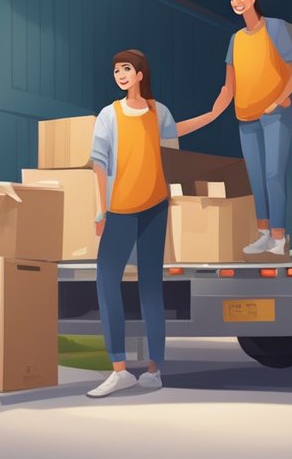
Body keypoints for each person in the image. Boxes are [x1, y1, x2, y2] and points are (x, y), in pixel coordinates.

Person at [86, 49, 213, 398]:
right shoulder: (108, 115)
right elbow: (98, 163)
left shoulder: (159, 112)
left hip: (156, 205)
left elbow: (175, 137)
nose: (121, 75)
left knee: (150, 285)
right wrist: (101, 210)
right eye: (116, 70)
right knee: (106, 279)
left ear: (141, 73)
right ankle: (119, 368)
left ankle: (154, 369)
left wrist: (213, 114)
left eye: (126, 69)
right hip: (121, 208)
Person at [206, 0, 292, 257]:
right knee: (257, 176)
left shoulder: (275, 28)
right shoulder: (235, 40)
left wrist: (279, 100)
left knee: (274, 174)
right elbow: (229, 87)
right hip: (245, 117)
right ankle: (263, 233)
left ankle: (279, 236)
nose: (236, 2)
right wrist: (213, 113)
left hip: (275, 115)